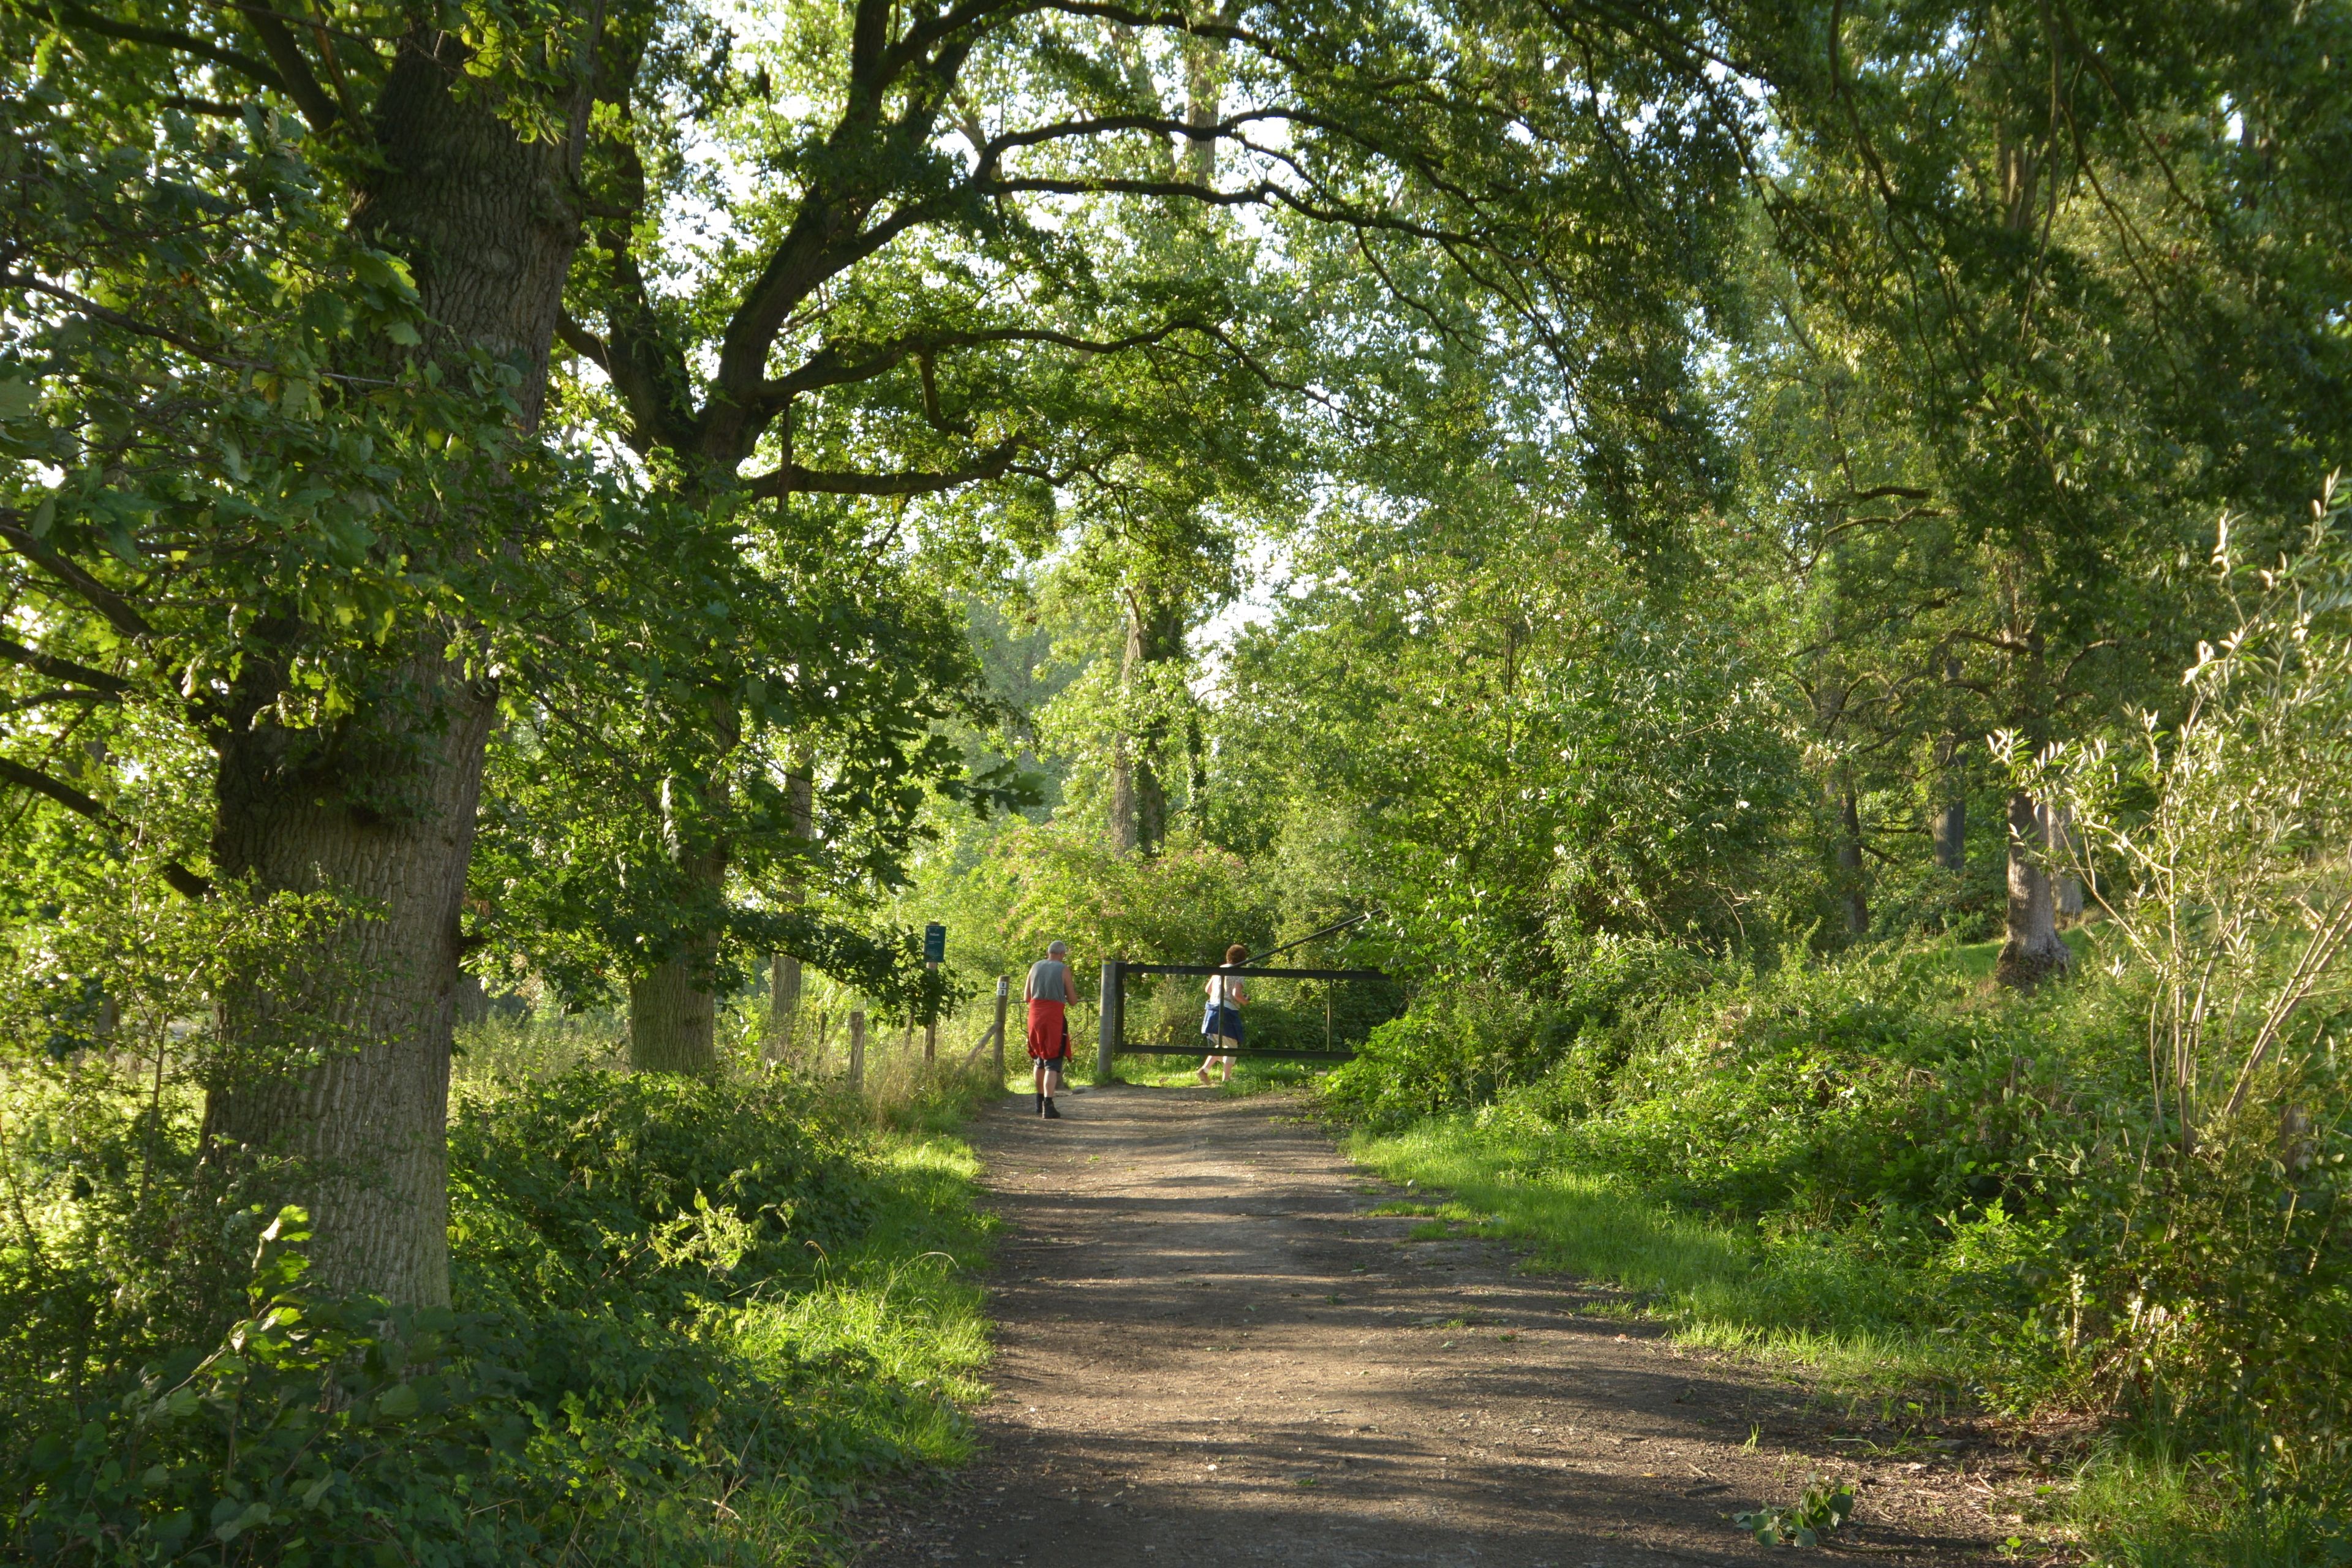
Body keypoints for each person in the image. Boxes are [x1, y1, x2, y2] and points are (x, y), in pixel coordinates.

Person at [1025, 940, 1076, 1118]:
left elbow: (1027, 997)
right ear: (1062, 954)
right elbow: (1073, 1000)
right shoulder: (1063, 969)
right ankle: (1048, 1105)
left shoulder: (1035, 967)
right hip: (1053, 1019)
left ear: (1048, 952)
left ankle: (1038, 1101)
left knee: (1039, 1059)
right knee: (1052, 1062)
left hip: (1035, 1017)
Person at [1199, 943, 1248, 1085]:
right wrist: (1245, 1001)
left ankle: (1205, 1070)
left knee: (1223, 1045)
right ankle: (1226, 1080)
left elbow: (1208, 990)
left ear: (1228, 956)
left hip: (1212, 1010)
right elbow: (1237, 994)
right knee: (1231, 1047)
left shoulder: (1219, 970)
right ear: (1243, 959)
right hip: (1227, 1012)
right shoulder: (1238, 972)